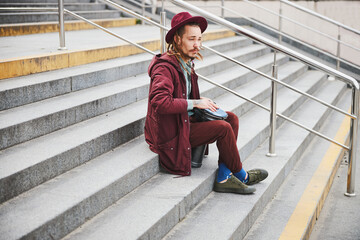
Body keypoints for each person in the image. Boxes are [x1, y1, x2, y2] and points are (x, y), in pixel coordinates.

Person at [144, 12, 268, 194]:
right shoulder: (165, 67)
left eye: (199, 39)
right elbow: (160, 102)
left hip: (184, 122)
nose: (197, 45)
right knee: (223, 128)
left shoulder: (185, 63)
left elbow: (180, 95)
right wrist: (194, 103)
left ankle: (224, 176)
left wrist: (198, 100)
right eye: (191, 39)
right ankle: (242, 176)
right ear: (177, 40)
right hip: (171, 134)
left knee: (230, 118)